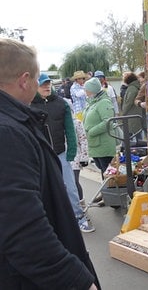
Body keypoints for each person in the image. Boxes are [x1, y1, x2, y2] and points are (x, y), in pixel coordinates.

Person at [0, 38, 100, 289]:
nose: (38, 84)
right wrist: (76, 280)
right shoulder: (7, 132)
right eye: (35, 77)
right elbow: (23, 231)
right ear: (24, 80)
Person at [31, 73, 95, 232]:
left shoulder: (62, 104)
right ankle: (47, 221)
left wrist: (72, 151)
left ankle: (79, 217)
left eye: (48, 83)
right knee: (42, 188)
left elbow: (70, 130)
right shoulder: (29, 105)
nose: (46, 86)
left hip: (60, 152)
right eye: (42, 84)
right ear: (35, 86)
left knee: (70, 187)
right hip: (40, 155)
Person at [83, 77, 117, 180]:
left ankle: (108, 194)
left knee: (106, 171)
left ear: (92, 90)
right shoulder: (92, 102)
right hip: (95, 144)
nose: (85, 92)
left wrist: (91, 131)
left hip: (103, 144)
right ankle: (105, 193)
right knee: (102, 170)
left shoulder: (104, 102)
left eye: (86, 89)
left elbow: (108, 122)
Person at [121, 71, 144, 138]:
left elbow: (128, 102)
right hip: (135, 113)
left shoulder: (132, 88)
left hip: (131, 114)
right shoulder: (135, 86)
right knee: (137, 134)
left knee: (132, 134)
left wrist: (123, 113)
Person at [134, 71, 148, 140]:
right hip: (147, 114)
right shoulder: (145, 86)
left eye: (139, 78)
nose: (138, 80)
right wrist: (141, 104)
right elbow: (136, 100)